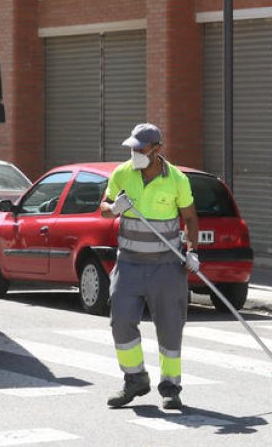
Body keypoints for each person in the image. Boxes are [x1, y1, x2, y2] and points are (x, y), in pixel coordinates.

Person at [100, 123, 200, 411]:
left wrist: (192, 252)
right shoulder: (122, 174)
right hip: (128, 264)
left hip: (166, 267)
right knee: (120, 321)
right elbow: (103, 208)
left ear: (157, 148)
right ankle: (135, 380)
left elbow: (190, 218)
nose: (135, 153)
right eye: (132, 148)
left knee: (170, 328)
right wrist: (114, 208)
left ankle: (171, 387)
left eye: (140, 148)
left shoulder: (177, 180)